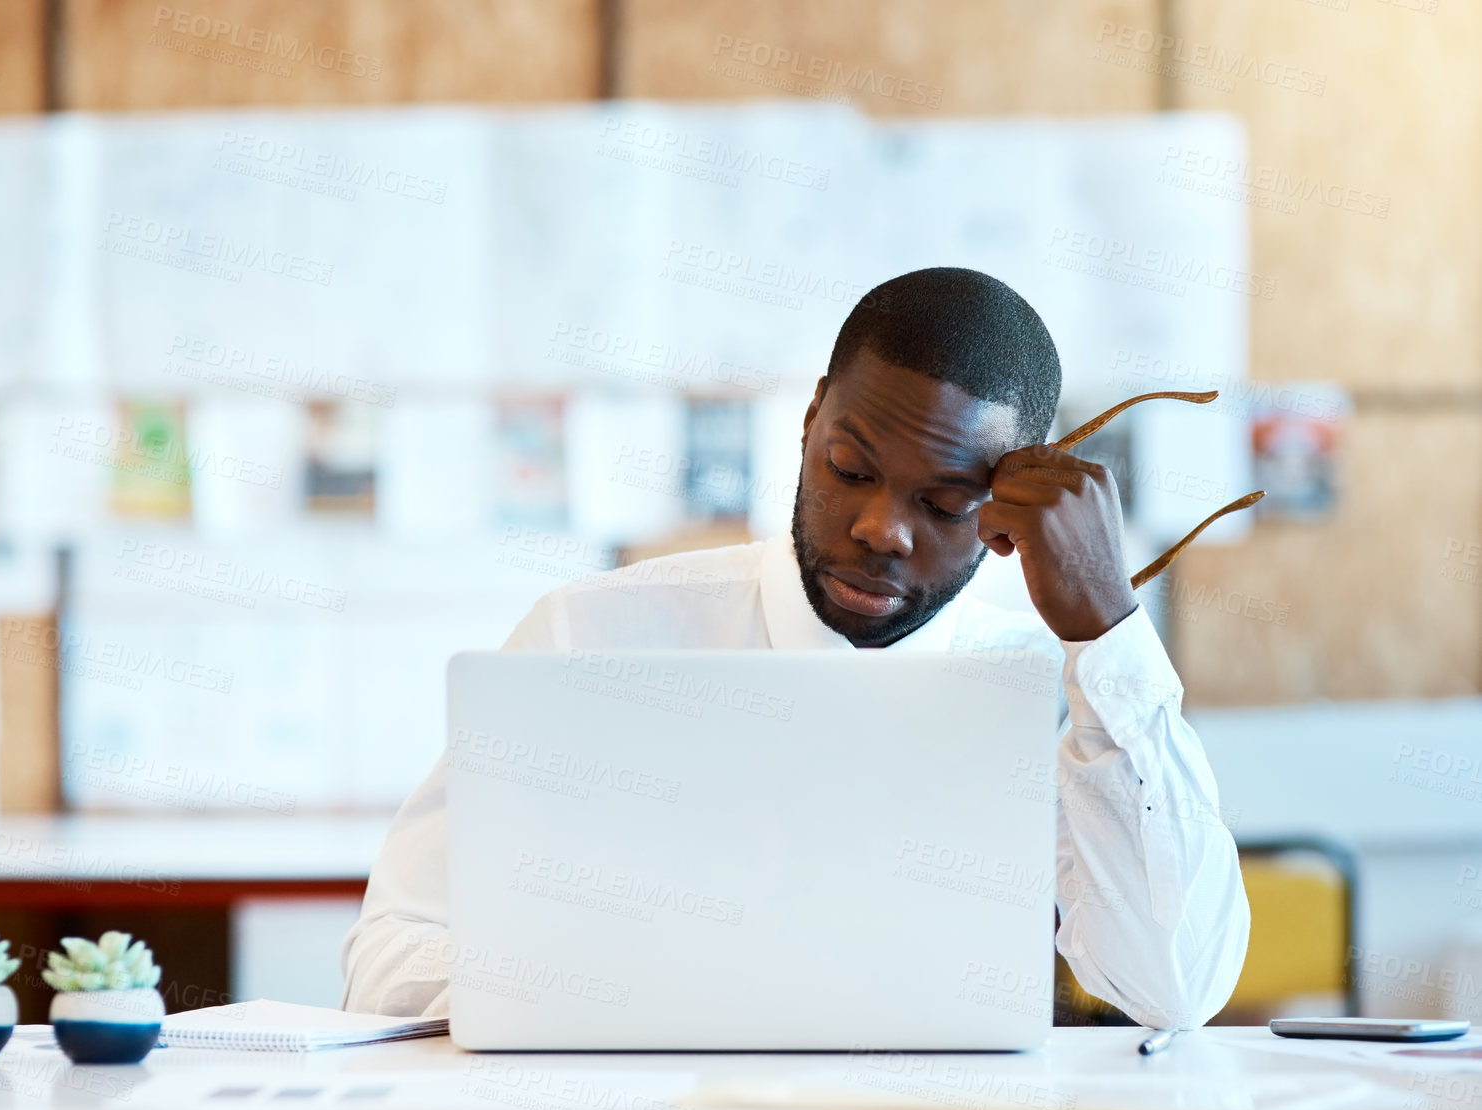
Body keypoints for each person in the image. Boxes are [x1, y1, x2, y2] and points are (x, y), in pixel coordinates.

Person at [342, 267, 1250, 1029]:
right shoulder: (591, 642)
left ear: (1014, 501)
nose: (878, 527)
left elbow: (1173, 985)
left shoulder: (1055, 698)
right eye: (849, 469)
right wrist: (632, 976)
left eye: (942, 504)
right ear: (811, 419)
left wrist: (1106, 632)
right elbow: (385, 963)